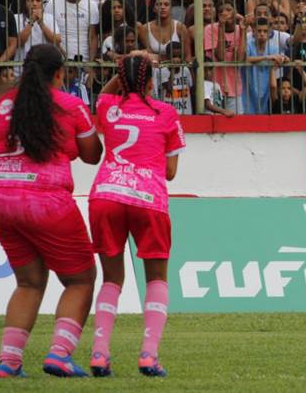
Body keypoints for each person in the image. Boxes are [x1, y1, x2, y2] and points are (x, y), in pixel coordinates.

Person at [0, 44, 103, 378]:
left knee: (29, 281)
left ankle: (8, 362)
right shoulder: (71, 104)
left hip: (0, 195)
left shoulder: (6, 102)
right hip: (45, 198)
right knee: (81, 279)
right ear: (59, 73)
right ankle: (60, 354)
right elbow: (92, 154)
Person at [87, 52, 184, 378]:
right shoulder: (167, 113)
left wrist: (127, 72)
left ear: (121, 81)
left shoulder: (108, 109)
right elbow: (170, 172)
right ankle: (148, 356)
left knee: (112, 279)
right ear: (152, 81)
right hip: (148, 200)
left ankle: (100, 354)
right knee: (156, 279)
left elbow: (102, 94)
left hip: (107, 196)